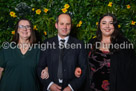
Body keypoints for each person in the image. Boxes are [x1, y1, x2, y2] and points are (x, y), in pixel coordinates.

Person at [37, 13, 88, 91]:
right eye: (62, 24)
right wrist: (50, 85)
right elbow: (40, 67)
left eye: (68, 24)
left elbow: (84, 69)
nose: (65, 27)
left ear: (71, 26)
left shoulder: (79, 44)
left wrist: (71, 87)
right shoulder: (47, 43)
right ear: (56, 25)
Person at [85, 13, 136, 91]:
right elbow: (84, 65)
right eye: (104, 23)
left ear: (114, 26)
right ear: (99, 26)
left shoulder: (124, 44)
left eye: (111, 23)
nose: (107, 26)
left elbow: (131, 73)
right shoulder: (92, 43)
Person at [0, 19, 41, 91]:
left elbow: (46, 67)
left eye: (28, 26)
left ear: (31, 30)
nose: (25, 29)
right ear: (17, 30)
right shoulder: (7, 49)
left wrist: (46, 69)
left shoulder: (38, 50)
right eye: (21, 26)